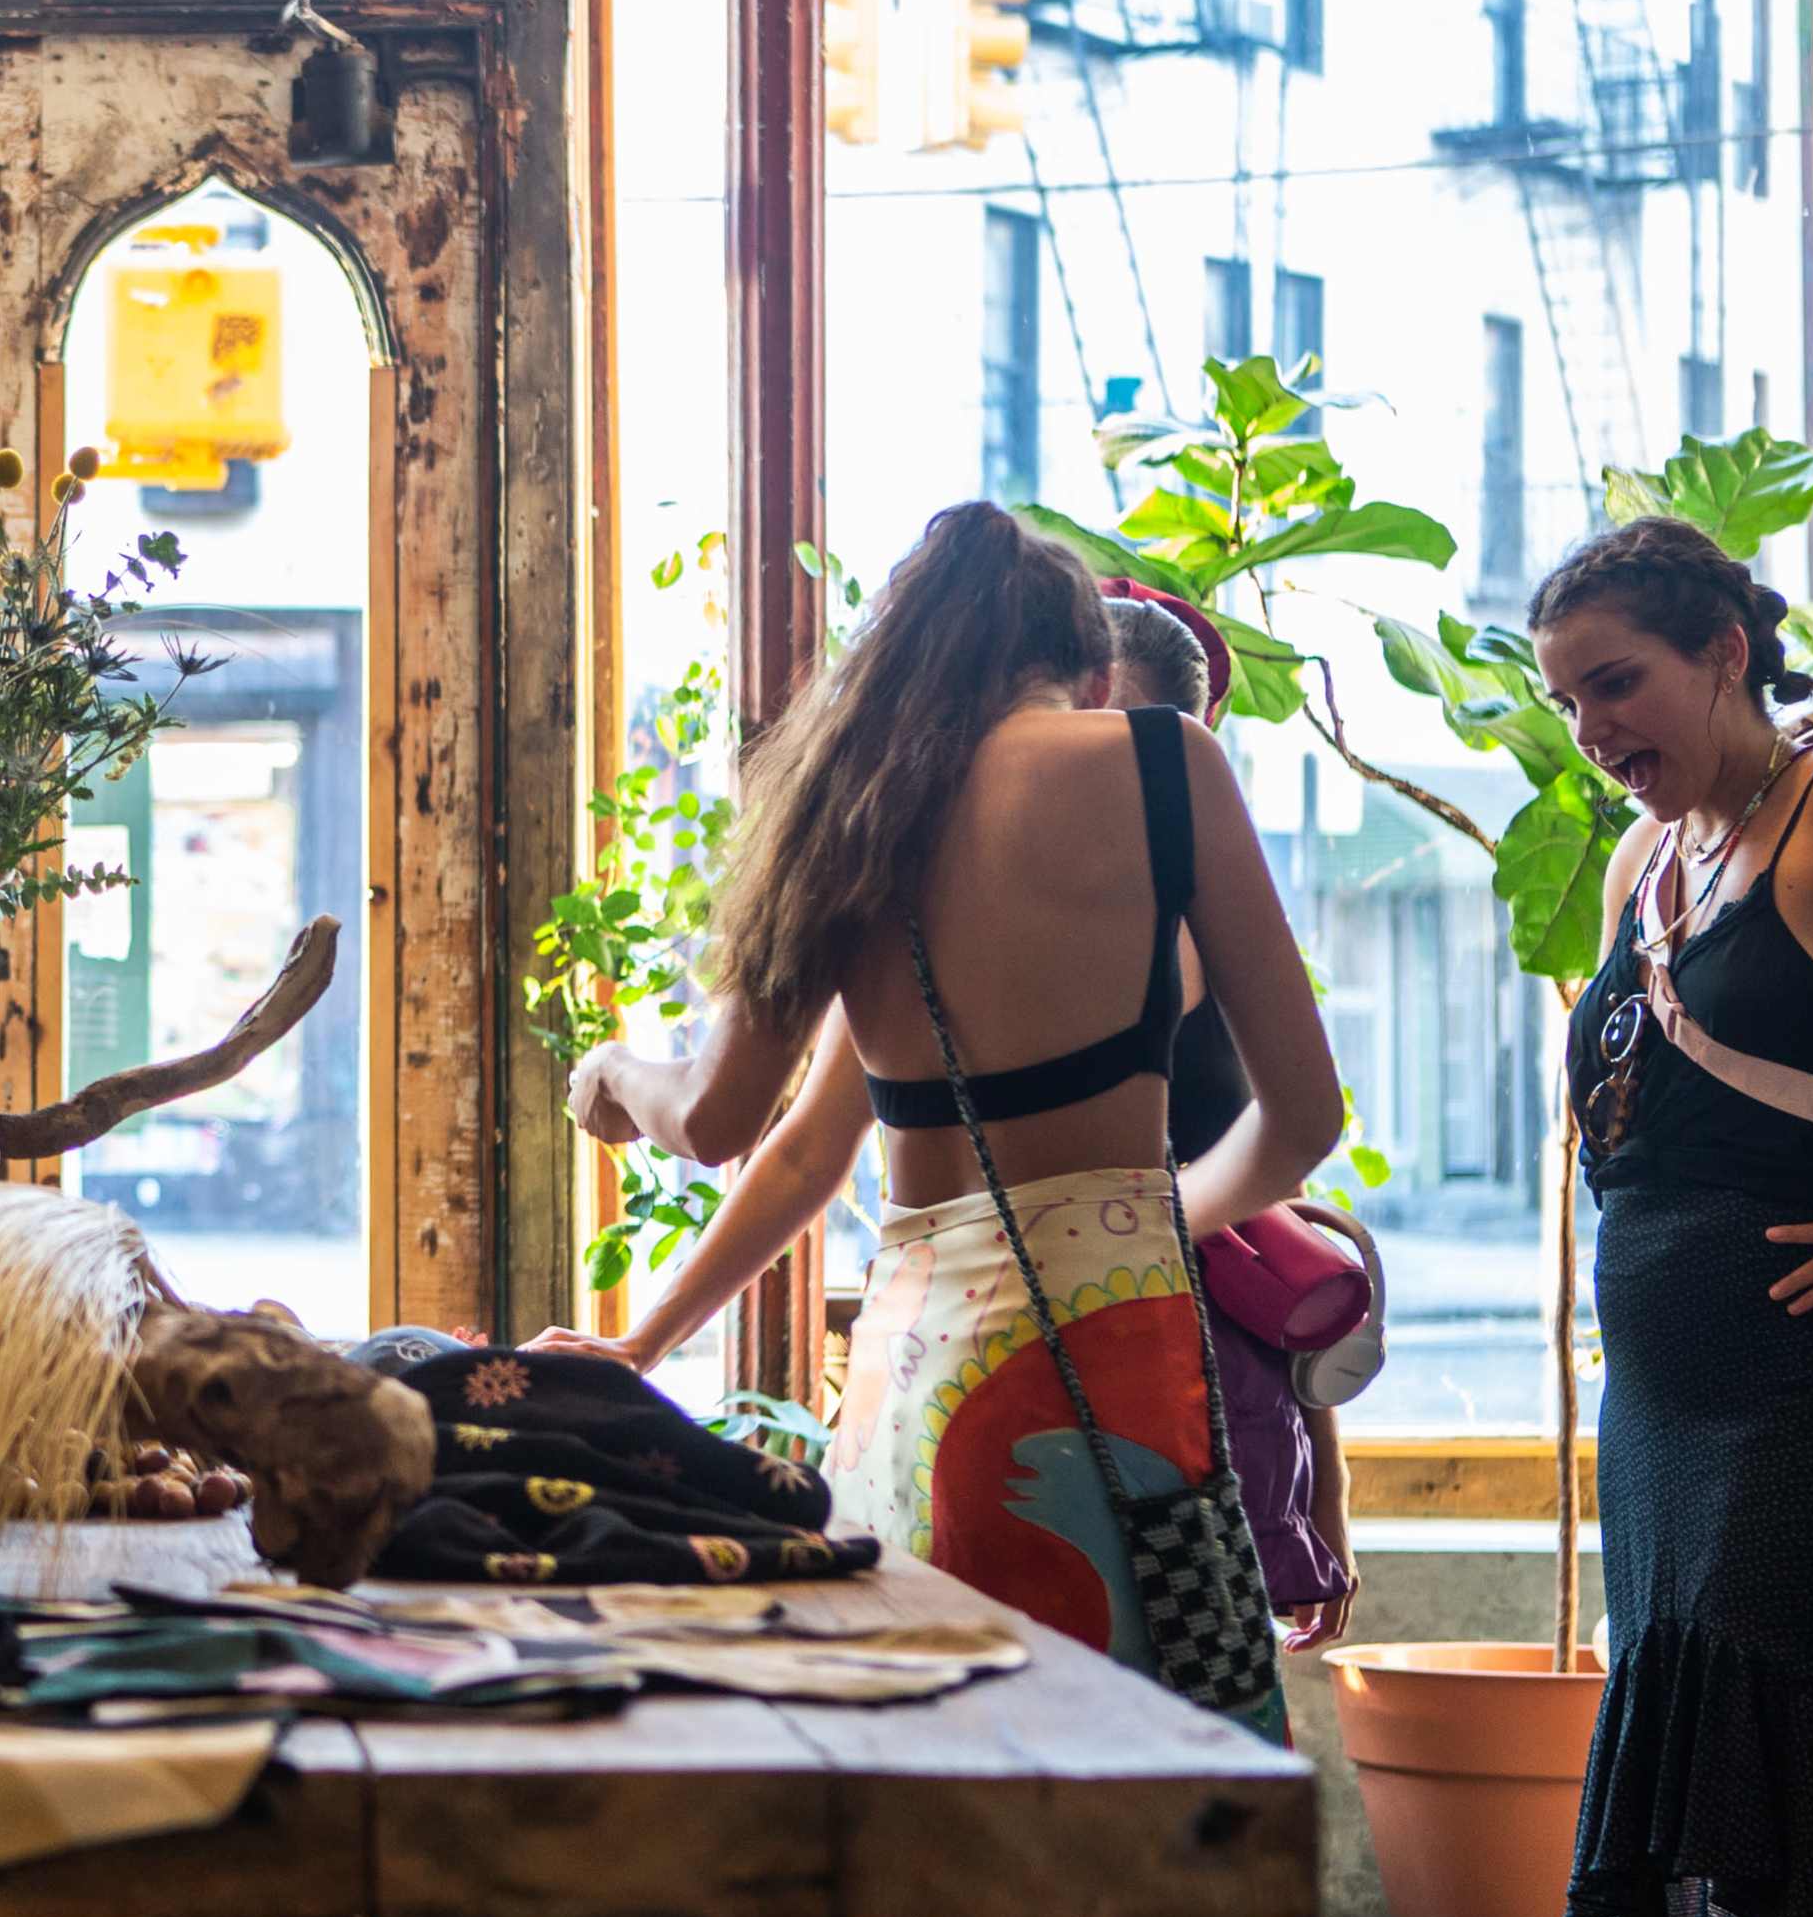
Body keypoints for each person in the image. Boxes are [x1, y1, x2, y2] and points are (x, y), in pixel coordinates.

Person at [552, 503, 1342, 1721]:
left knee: (935, 1754)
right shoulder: (1165, 763)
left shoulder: (854, 817)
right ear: (1090, 670)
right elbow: (1302, 1120)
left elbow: (739, 1130)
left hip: (920, 1384)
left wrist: (614, 1076)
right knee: (1154, 1757)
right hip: (1117, 1353)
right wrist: (1139, 1223)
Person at [1538, 517, 1813, 1917]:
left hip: (1791, 1401)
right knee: (1711, 1844)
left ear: (1725, 654)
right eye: (1567, 702)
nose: (1592, 729)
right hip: (1659, 1416)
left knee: (1778, 1830)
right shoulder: (1644, 862)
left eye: (1617, 683)